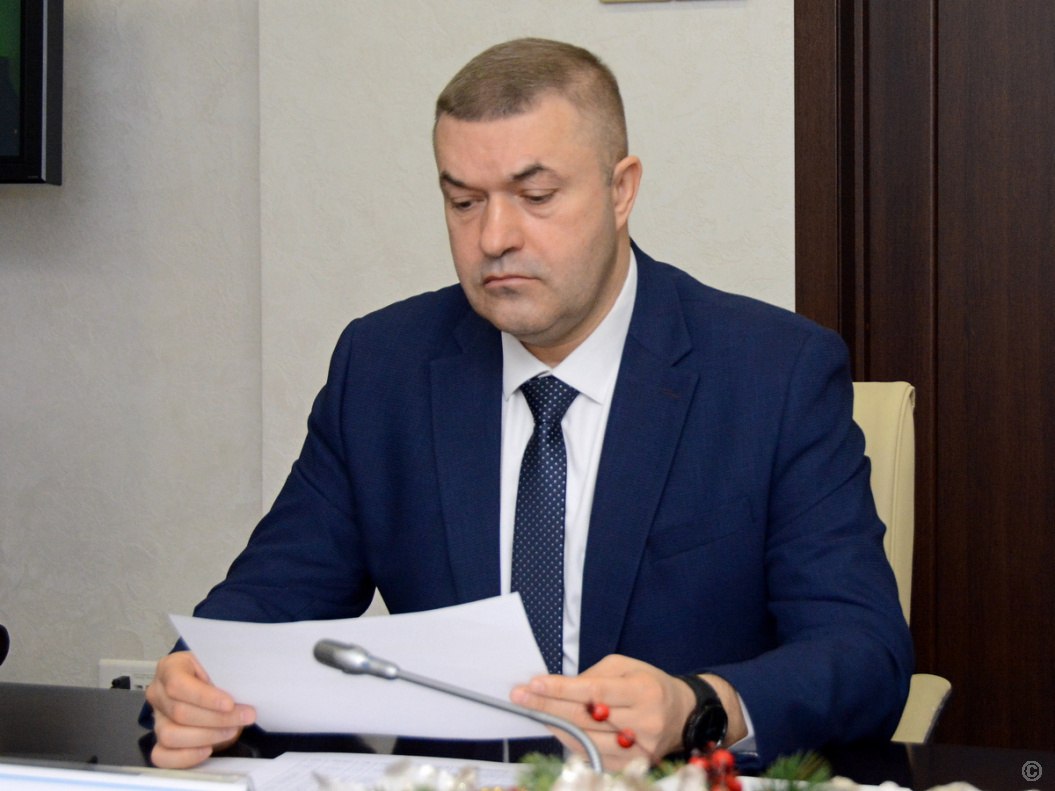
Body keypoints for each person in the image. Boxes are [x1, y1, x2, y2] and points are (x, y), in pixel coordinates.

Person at [145, 37, 913, 772]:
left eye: (535, 196)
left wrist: (696, 704)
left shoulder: (772, 374)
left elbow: (862, 651)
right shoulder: (383, 368)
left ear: (621, 190)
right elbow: (272, 594)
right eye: (463, 201)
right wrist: (196, 677)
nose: (493, 237)